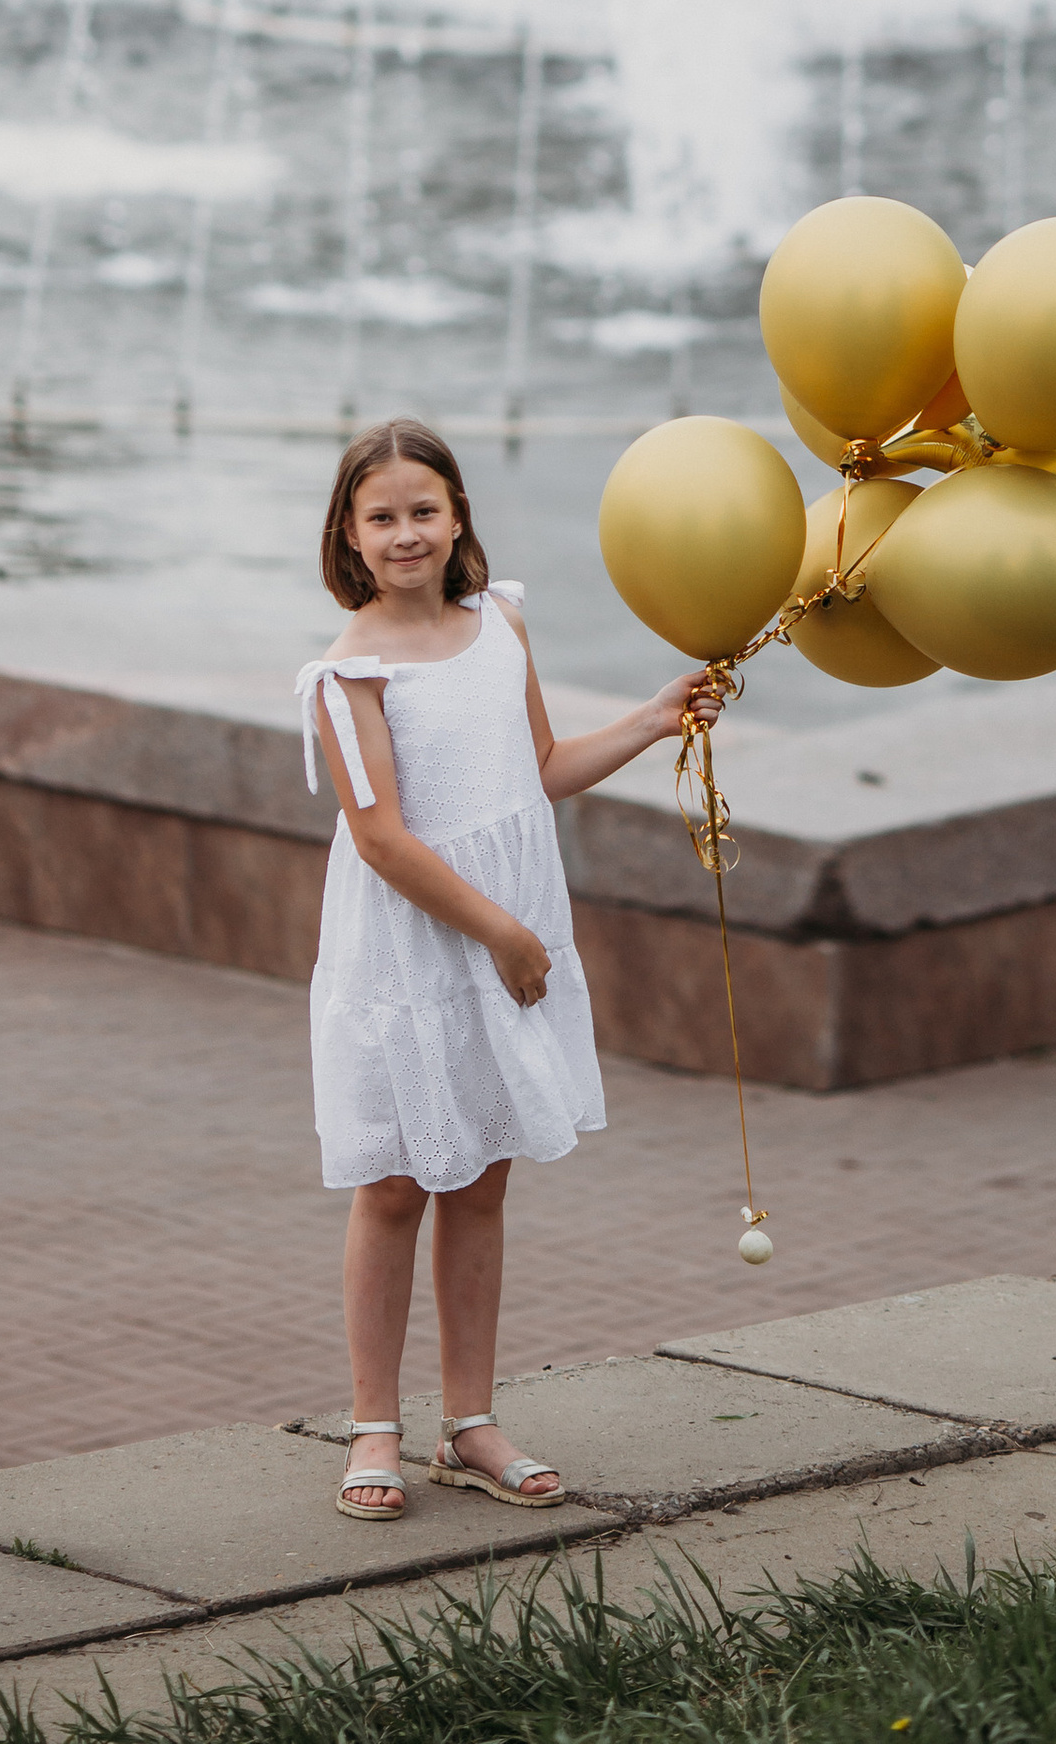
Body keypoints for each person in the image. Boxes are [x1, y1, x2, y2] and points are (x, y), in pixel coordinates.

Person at [297, 418, 720, 1524]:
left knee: (482, 1176)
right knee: (395, 1184)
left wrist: (651, 720)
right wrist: (502, 933)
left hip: (503, 935)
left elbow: (539, 767)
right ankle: (374, 1426)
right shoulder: (348, 676)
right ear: (348, 533)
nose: (405, 534)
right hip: (415, 949)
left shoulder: (502, 623)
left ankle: (470, 1421)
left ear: (457, 518)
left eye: (423, 511)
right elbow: (382, 838)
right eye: (381, 517)